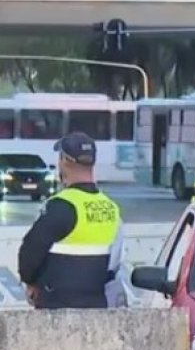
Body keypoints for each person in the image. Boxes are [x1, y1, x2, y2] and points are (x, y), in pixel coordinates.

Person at [17, 132, 123, 310]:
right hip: (96, 307)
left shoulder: (60, 205)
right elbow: (114, 264)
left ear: (64, 160)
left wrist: (30, 282)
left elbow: (30, 253)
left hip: (57, 307)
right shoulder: (111, 208)